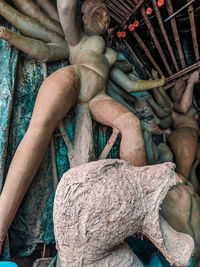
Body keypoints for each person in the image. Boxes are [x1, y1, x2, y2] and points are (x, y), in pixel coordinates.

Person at [0, 0, 165, 254]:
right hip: (74, 78)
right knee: (38, 130)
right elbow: (63, 12)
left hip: (96, 96)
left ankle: (138, 208)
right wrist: (9, 34)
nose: (106, 19)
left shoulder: (110, 55)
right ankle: (1, 225)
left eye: (108, 16)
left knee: (131, 123)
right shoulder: (76, 38)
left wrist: (157, 84)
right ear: (84, 17)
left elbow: (130, 86)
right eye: (99, 13)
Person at [167, 71, 200, 179]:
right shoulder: (173, 106)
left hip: (193, 136)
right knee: (183, 174)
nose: (181, 90)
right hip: (185, 134)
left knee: (193, 173)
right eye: (177, 89)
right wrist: (190, 82)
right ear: (172, 95)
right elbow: (183, 108)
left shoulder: (192, 105)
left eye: (183, 88)